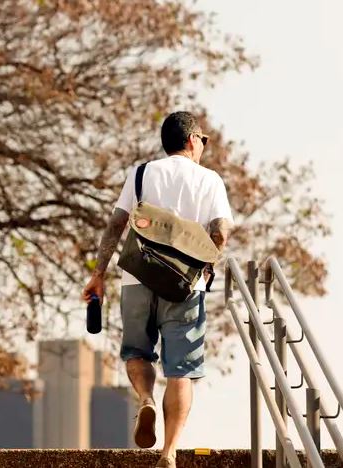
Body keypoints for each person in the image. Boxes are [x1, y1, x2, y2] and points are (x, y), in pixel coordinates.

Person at [81, 111, 233, 468]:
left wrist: (98, 274)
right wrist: (206, 267)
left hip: (137, 277)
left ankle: (146, 399)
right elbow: (222, 231)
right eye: (204, 141)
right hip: (185, 285)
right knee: (181, 370)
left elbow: (116, 224)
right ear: (193, 140)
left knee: (137, 351)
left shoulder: (141, 173)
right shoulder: (209, 180)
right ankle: (170, 451)